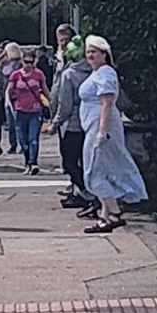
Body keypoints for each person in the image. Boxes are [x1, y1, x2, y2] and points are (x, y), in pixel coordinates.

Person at [79, 35, 147, 232]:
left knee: (93, 170)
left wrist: (102, 131)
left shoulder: (106, 73)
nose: (90, 55)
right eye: (88, 52)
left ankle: (114, 212)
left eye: (94, 52)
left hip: (101, 127)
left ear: (104, 54)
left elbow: (107, 103)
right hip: (94, 125)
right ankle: (105, 215)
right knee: (103, 169)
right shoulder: (97, 73)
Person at [45, 27, 93, 207]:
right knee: (82, 159)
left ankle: (87, 193)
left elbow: (65, 102)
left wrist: (55, 123)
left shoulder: (70, 73)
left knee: (70, 161)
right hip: (87, 121)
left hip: (72, 122)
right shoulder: (94, 70)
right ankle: (79, 192)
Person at [6, 48, 49, 174]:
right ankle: (27, 162)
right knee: (23, 140)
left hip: (35, 110)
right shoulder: (16, 75)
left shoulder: (39, 74)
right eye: (26, 61)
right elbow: (9, 91)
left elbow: (45, 89)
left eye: (31, 62)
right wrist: (10, 105)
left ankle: (33, 163)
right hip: (20, 110)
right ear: (22, 61)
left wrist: (50, 104)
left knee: (33, 138)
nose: (28, 64)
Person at [0, 42, 24, 155]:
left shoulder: (18, 64)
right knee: (11, 124)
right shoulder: (5, 64)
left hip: (16, 96)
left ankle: (20, 145)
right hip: (7, 95)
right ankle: (13, 145)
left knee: (17, 123)